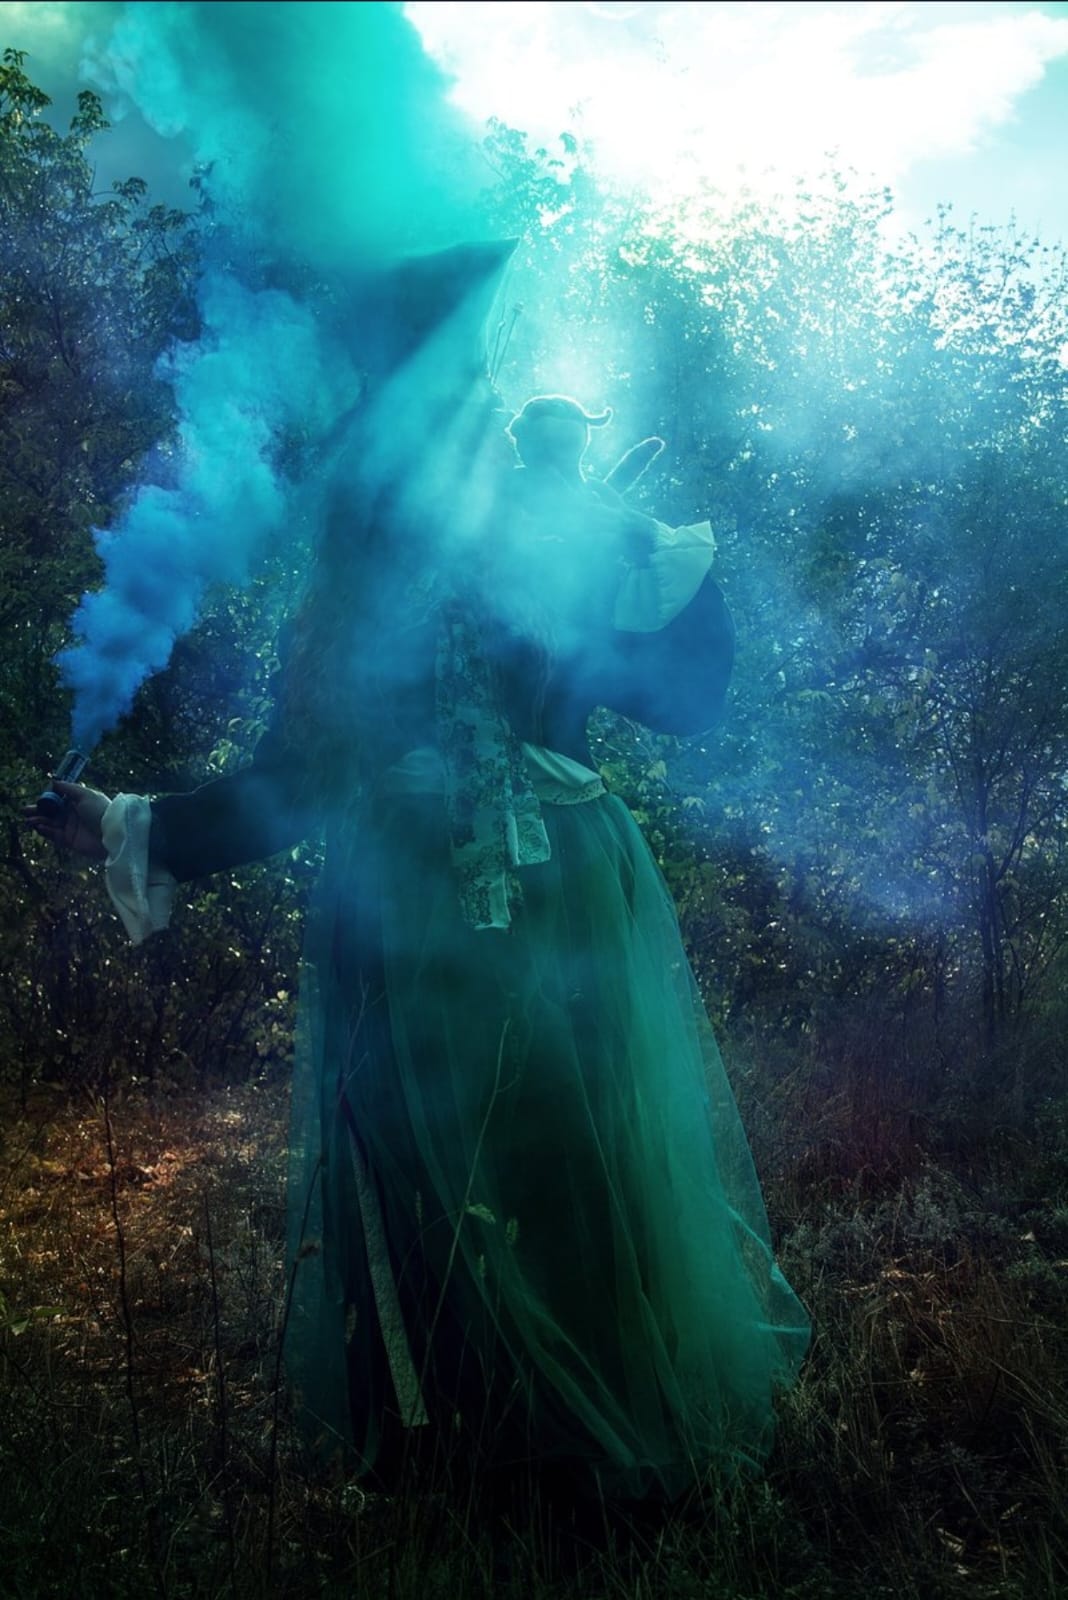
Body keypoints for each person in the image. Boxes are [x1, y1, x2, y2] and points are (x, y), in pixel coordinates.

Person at [27, 241, 809, 1510]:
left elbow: (673, 700)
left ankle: (530, 1466)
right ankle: (536, 1461)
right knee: (530, 1149)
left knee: (521, 1148)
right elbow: (672, 703)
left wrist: (643, 552)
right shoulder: (467, 531)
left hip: (469, 889)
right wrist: (137, 823)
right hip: (520, 882)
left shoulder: (466, 532)